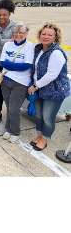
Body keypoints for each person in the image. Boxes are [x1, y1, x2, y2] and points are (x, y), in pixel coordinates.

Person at [28, 21, 70, 151]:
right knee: (39, 115)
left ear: (55, 37)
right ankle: (39, 136)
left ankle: (44, 139)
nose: (45, 36)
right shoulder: (39, 49)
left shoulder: (56, 52)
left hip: (54, 92)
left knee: (48, 117)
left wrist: (34, 86)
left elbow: (51, 75)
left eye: (49, 35)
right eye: (43, 33)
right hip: (40, 90)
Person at [0, 22, 34, 143]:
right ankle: (8, 129)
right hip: (6, 81)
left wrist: (10, 65)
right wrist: (14, 65)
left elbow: (26, 66)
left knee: (14, 109)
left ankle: (15, 132)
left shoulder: (30, 46)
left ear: (26, 34)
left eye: (21, 32)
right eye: (16, 32)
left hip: (20, 83)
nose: (18, 34)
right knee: (9, 107)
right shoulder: (7, 45)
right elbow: (2, 62)